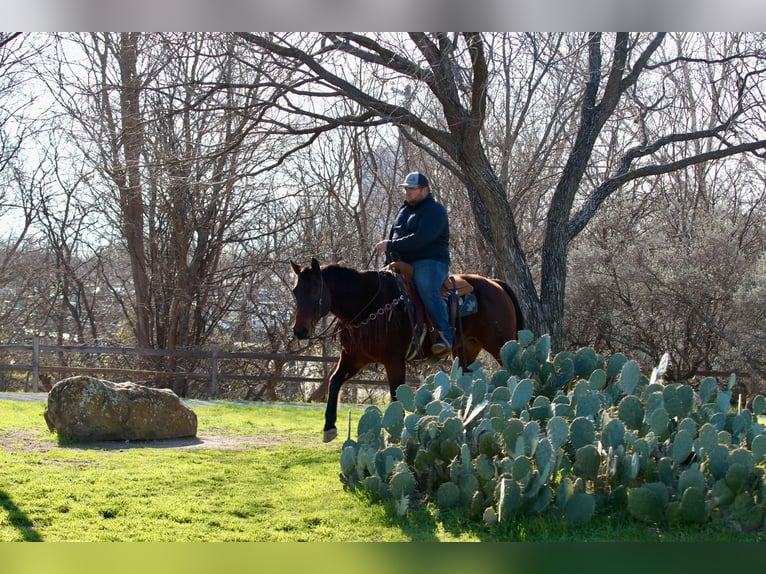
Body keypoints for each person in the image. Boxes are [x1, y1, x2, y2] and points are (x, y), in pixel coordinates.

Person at [374, 171, 452, 356]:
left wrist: (390, 245)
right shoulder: (403, 211)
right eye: (406, 189)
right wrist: (388, 261)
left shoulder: (435, 211)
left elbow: (421, 239)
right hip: (402, 263)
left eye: (411, 189)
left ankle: (445, 335)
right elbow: (395, 237)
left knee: (426, 287)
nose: (407, 192)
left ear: (424, 190)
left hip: (430, 262)